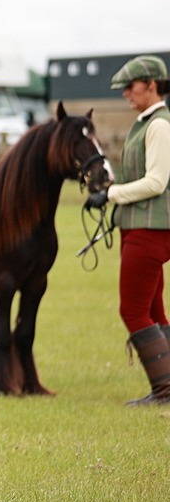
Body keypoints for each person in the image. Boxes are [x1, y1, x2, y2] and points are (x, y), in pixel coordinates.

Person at [85, 55, 170, 405]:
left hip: (149, 229)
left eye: (130, 86)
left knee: (132, 311)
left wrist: (111, 194)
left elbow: (157, 182)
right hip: (138, 227)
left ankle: (164, 390)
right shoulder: (146, 122)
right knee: (153, 310)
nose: (125, 94)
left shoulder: (159, 125)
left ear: (151, 84)